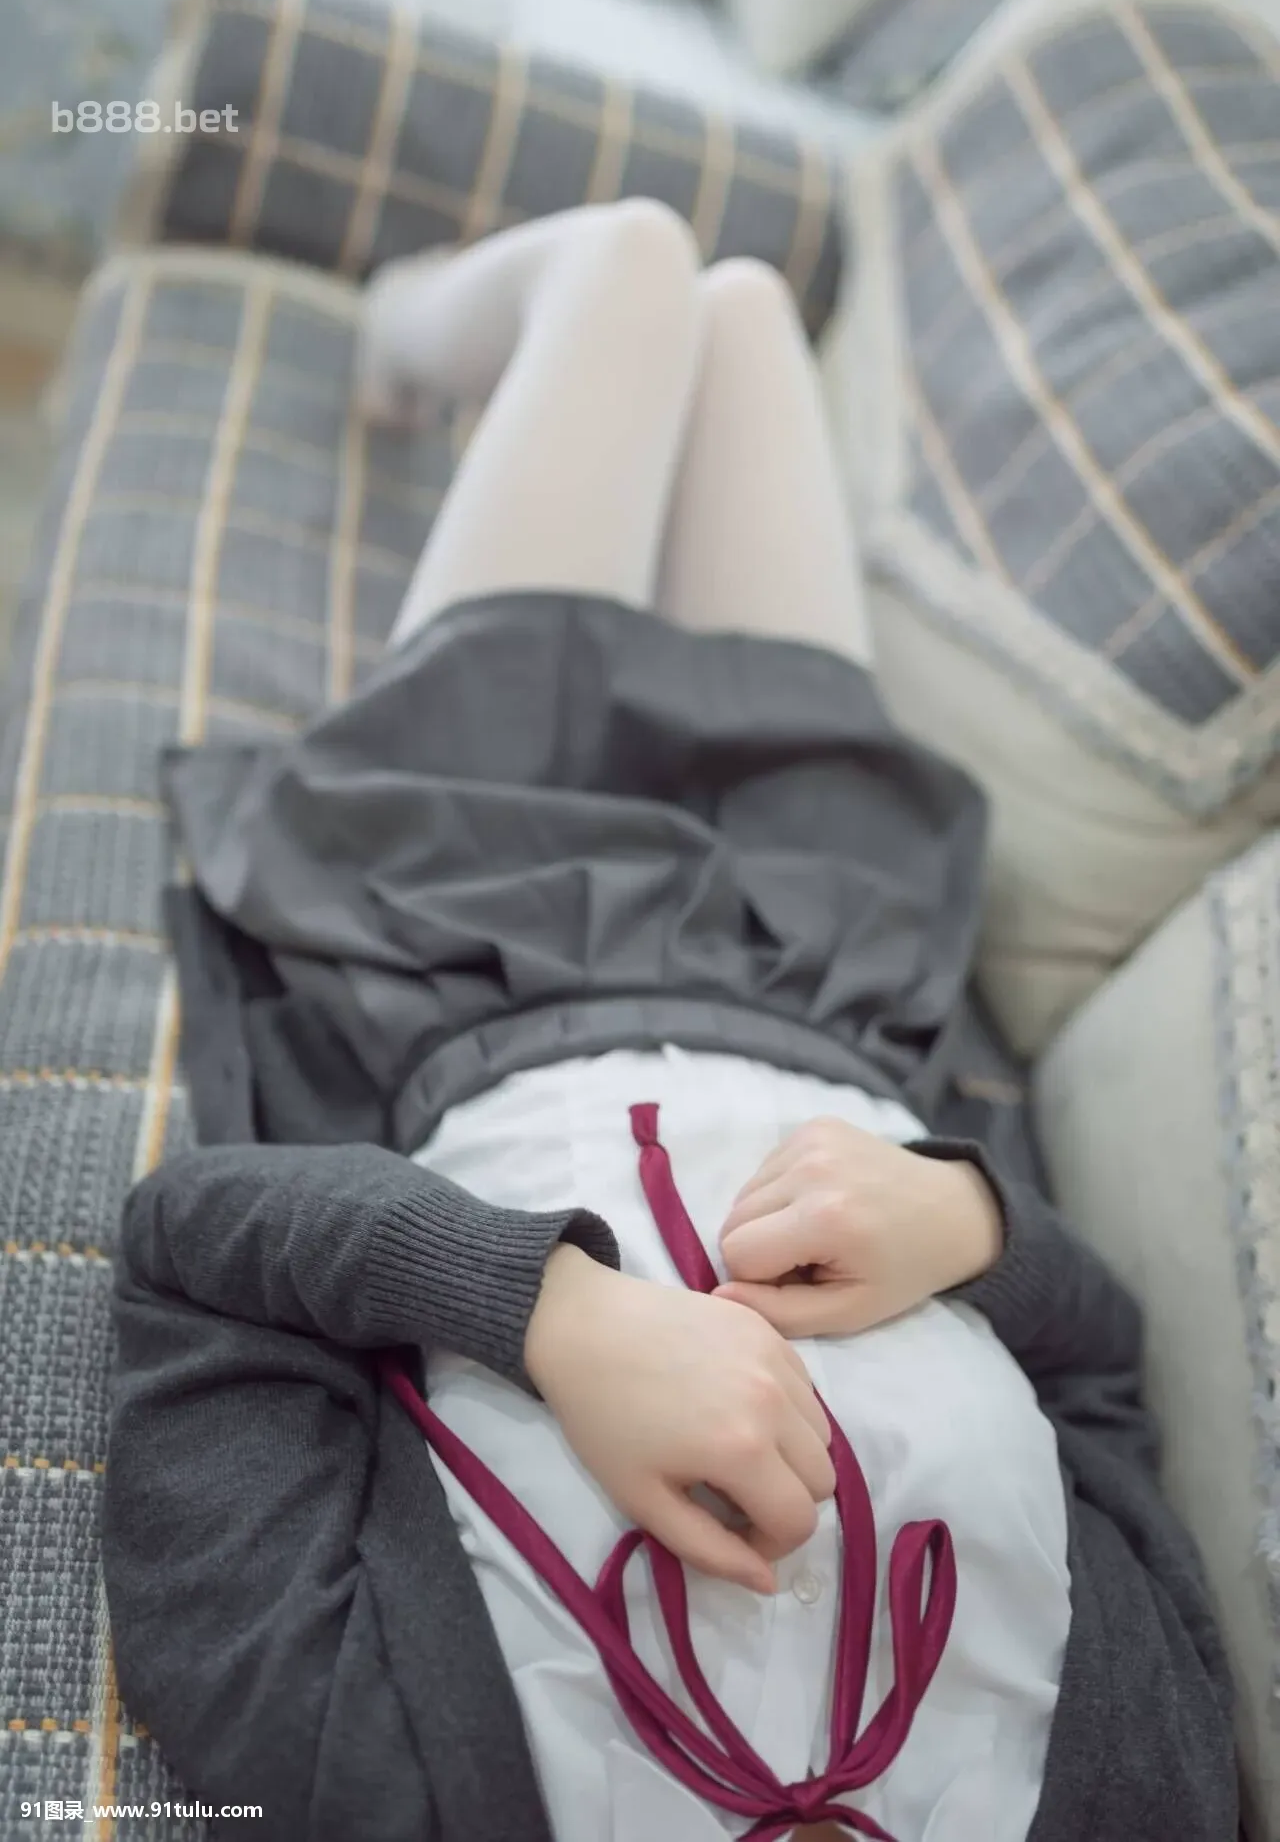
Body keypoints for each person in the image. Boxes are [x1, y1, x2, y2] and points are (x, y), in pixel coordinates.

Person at [102, 202, 1237, 1842]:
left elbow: (196, 1252)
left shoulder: (366, 1777)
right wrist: (965, 1222)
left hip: (472, 933)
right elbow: (1104, 1373)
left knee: (630, 265)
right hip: (829, 960)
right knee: (746, 311)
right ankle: (438, 331)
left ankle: (407, 328)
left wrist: (550, 1314)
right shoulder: (1148, 1800)